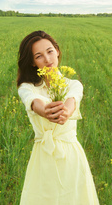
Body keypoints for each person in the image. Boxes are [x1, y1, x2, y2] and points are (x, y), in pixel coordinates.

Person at [17, 30, 99, 204]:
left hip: (71, 157)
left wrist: (66, 112)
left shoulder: (73, 84)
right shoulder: (27, 87)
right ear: (32, 62)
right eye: (39, 56)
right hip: (43, 156)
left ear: (57, 51)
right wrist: (45, 110)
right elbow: (32, 101)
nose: (47, 60)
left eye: (50, 51)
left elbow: (72, 99)